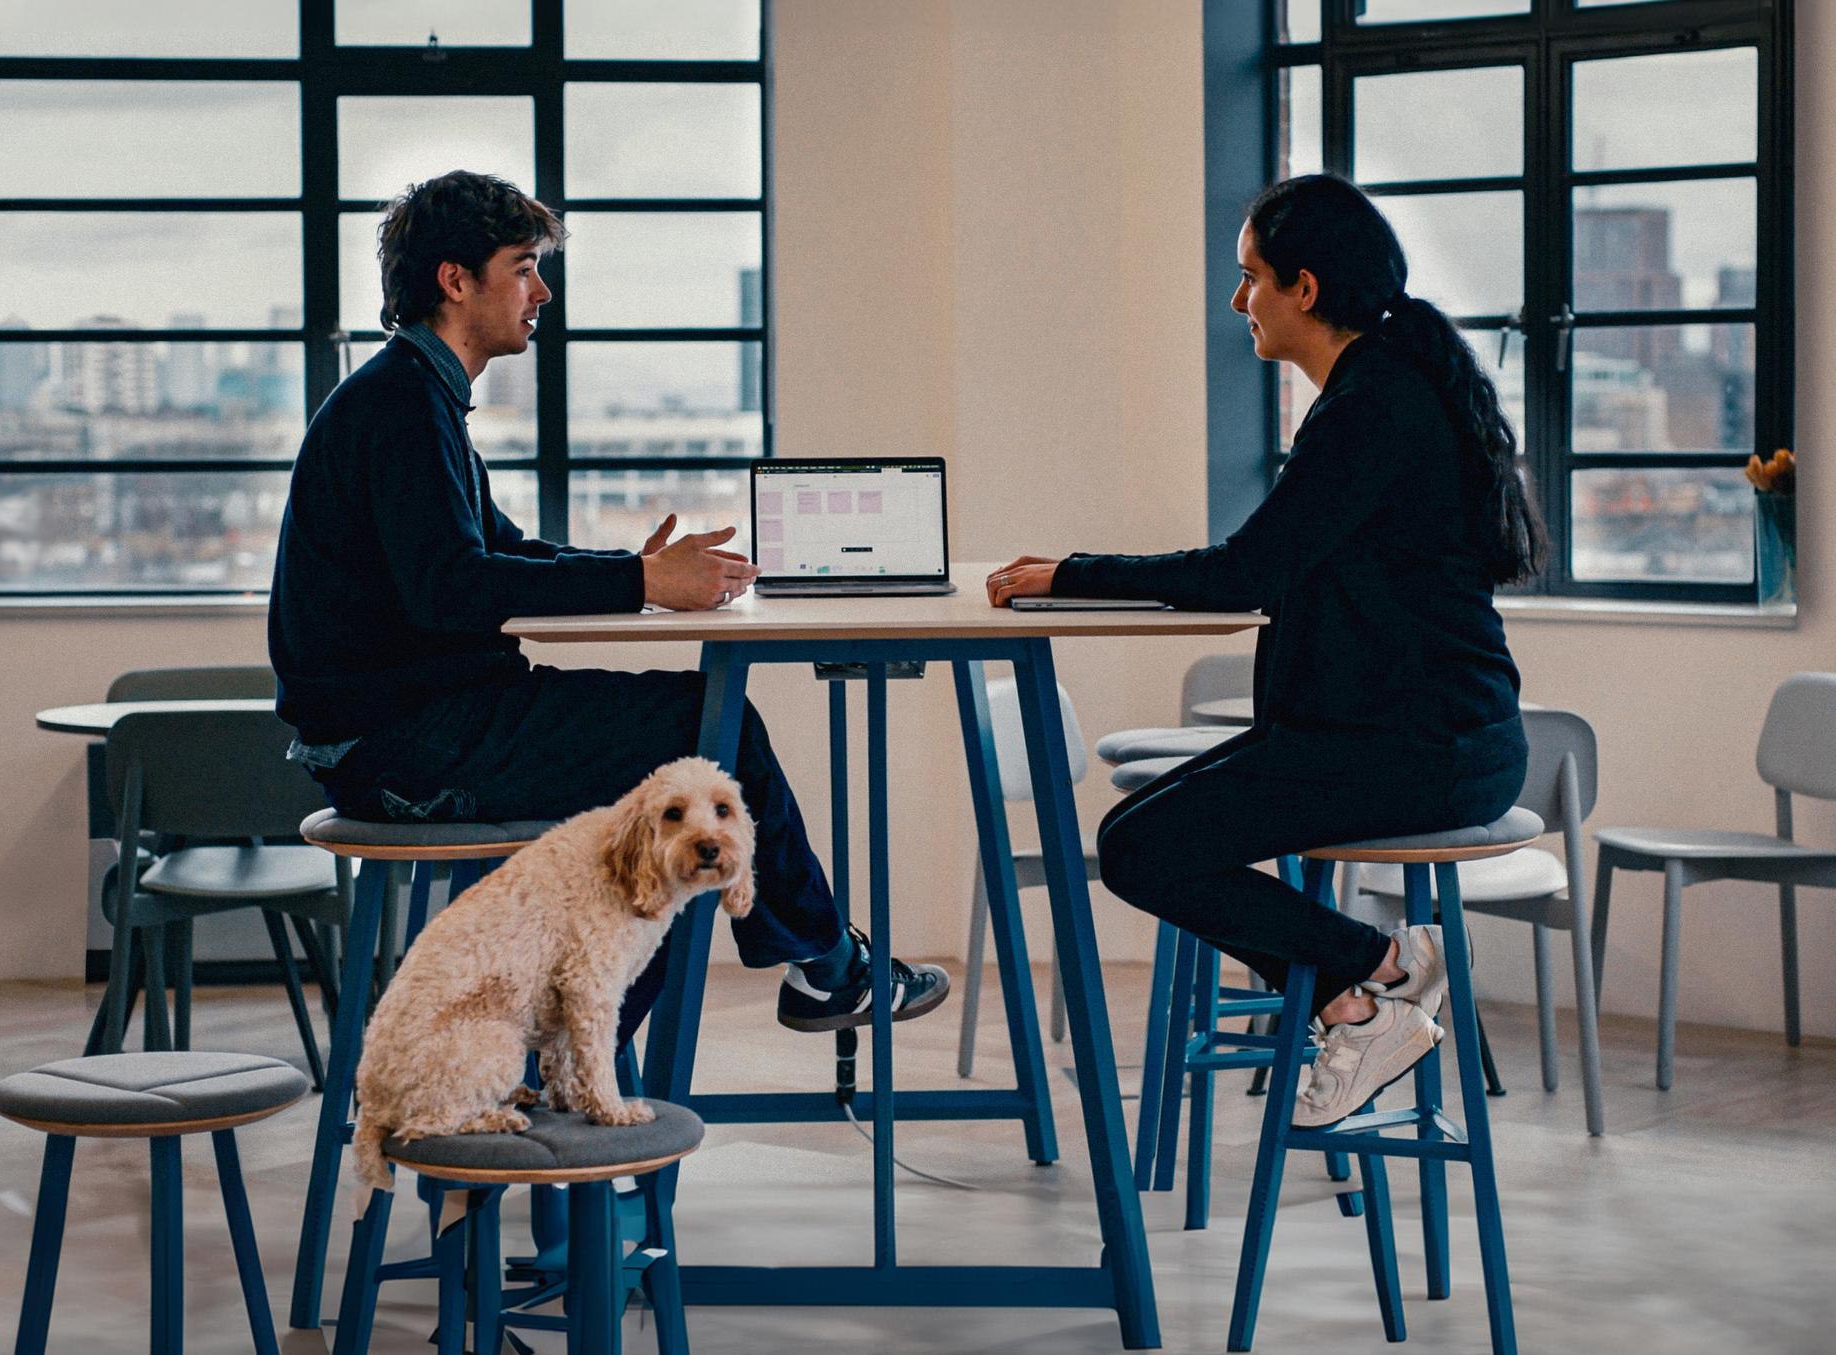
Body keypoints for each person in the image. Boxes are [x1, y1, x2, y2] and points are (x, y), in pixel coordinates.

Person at [269, 169, 948, 1040]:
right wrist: (640, 584)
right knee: (712, 735)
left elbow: (502, 551)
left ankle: (587, 1053)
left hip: (410, 724)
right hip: (402, 745)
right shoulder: (403, 406)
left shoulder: (413, 394)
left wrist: (643, 569)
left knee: (687, 764)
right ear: (455, 280)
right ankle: (825, 969)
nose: (540, 291)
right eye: (523, 267)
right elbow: (452, 588)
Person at [986, 173, 1543, 1127]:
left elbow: (1243, 571)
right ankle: (1355, 1003)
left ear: (1306, 290)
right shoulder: (1378, 392)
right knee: (1136, 840)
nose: (1238, 300)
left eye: (1251, 279)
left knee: (1143, 850)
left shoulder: (1373, 407)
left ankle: (1388, 965)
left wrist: (1069, 572)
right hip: (1406, 735)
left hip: (1421, 751)